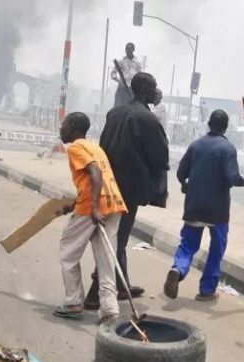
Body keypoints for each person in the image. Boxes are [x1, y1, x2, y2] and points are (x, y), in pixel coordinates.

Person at [163, 110, 244, 301]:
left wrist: (185, 185)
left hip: (194, 205)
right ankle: (206, 290)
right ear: (225, 127)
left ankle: (178, 269)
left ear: (209, 124)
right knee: (216, 249)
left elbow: (180, 173)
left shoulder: (195, 145)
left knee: (187, 245)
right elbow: (234, 179)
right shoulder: (227, 148)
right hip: (218, 210)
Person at [84, 72, 169, 309]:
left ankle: (122, 285)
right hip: (129, 188)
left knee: (117, 235)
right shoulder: (147, 119)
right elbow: (160, 157)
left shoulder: (116, 112)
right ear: (144, 90)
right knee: (118, 239)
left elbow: (103, 146)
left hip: (108, 183)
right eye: (153, 88)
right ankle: (94, 294)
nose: (155, 92)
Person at [52, 112, 126, 325]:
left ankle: (74, 302)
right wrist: (74, 204)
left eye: (64, 125)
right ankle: (110, 310)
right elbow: (91, 180)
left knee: (68, 253)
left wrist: (93, 207)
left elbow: (95, 173)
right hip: (114, 204)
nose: (61, 128)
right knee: (106, 259)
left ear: (74, 128)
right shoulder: (96, 147)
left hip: (93, 208)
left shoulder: (76, 148)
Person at [111, 42, 142, 107]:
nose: (128, 51)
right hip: (122, 88)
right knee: (118, 106)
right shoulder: (121, 61)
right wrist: (119, 81)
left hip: (132, 89)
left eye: (130, 49)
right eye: (127, 49)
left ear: (133, 50)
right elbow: (113, 73)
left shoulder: (137, 63)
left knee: (131, 107)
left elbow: (140, 76)